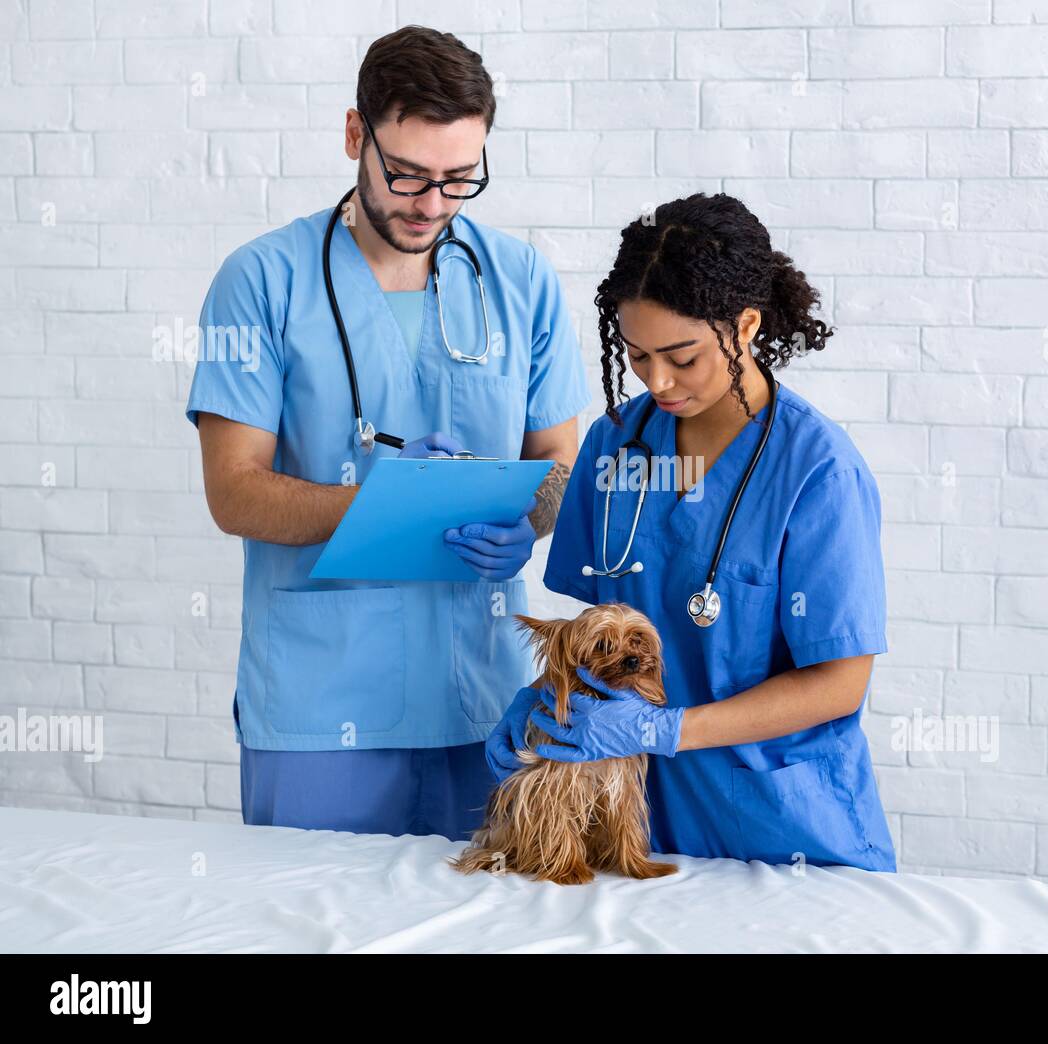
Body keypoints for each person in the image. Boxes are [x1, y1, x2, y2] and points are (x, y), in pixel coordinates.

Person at [185, 27, 589, 838]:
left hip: (489, 703)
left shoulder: (520, 281)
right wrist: (381, 504)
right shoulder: (262, 282)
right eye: (406, 176)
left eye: (457, 181)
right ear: (353, 136)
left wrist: (530, 519)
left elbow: (560, 465)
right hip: (322, 702)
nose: (431, 205)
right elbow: (233, 490)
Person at [485, 192, 896, 872]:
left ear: (746, 325)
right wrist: (551, 695)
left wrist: (662, 727)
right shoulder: (615, 445)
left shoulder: (816, 471)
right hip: (639, 822)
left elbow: (838, 683)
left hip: (787, 830)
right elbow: (606, 624)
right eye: (637, 355)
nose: (658, 379)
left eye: (683, 355)